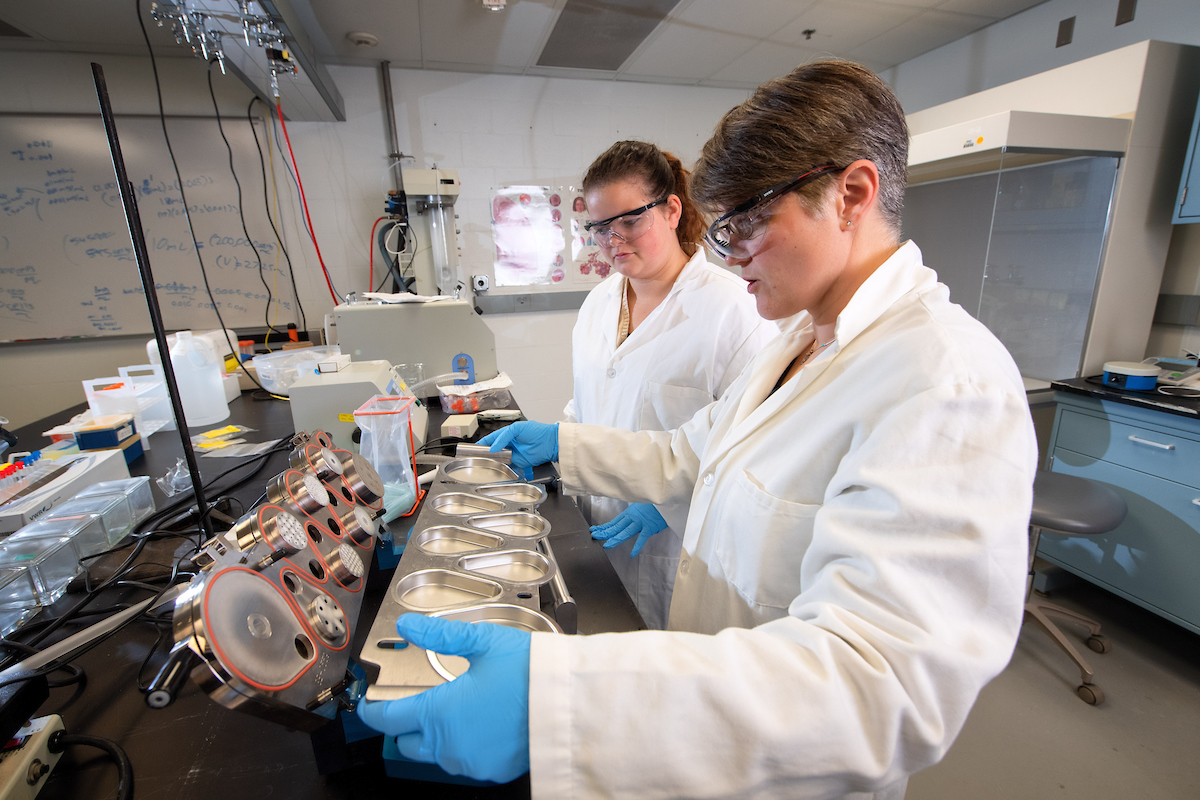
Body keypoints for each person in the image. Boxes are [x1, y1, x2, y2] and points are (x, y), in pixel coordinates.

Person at [358, 60, 1037, 799]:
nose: (729, 252)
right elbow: (688, 451)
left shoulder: (946, 382)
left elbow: (880, 688)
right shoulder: (798, 340)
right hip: (703, 729)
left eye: (745, 223)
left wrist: (563, 707)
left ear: (852, 194)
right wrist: (567, 443)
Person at [565, 140, 777, 629]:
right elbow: (587, 405)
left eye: (630, 220)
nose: (612, 239)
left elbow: (753, 444)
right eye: (599, 226)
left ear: (671, 210)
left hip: (678, 550)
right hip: (596, 532)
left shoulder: (736, 312)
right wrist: (560, 448)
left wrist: (666, 506)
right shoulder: (597, 305)